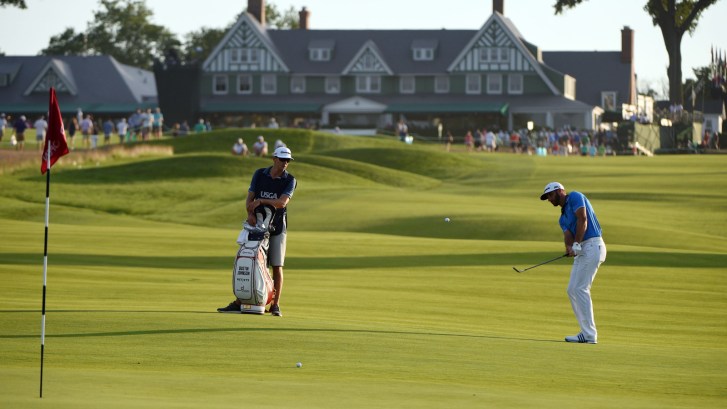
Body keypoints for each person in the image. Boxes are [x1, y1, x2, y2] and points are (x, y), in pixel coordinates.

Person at [218, 146, 298, 316]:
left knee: (277, 266)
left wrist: (261, 201)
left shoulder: (290, 180)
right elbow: (249, 198)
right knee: (252, 261)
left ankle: (275, 305)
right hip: (257, 226)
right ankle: (240, 301)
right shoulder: (259, 174)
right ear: (274, 158)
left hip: (277, 228)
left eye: (287, 161)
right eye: (282, 159)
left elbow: (282, 203)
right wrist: (249, 213)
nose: (285, 163)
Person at [540, 182, 606, 344]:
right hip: (582, 249)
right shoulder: (562, 218)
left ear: (559, 191)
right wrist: (569, 247)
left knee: (581, 288)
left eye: (549, 195)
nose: (548, 200)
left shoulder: (575, 196)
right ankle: (585, 332)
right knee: (572, 290)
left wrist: (577, 243)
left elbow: (582, 219)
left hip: (592, 245)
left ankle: (590, 334)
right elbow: (568, 234)